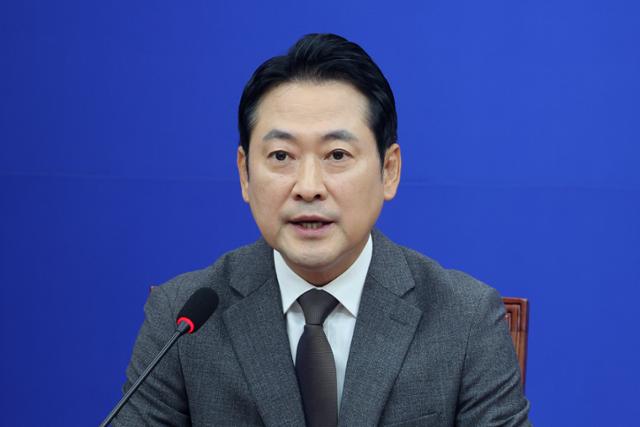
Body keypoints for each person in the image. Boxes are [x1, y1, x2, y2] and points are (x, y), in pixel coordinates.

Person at [114, 33, 531, 426]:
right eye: (281, 156)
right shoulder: (182, 319)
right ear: (244, 174)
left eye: (337, 155)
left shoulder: (465, 319)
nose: (308, 187)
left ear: (389, 170)